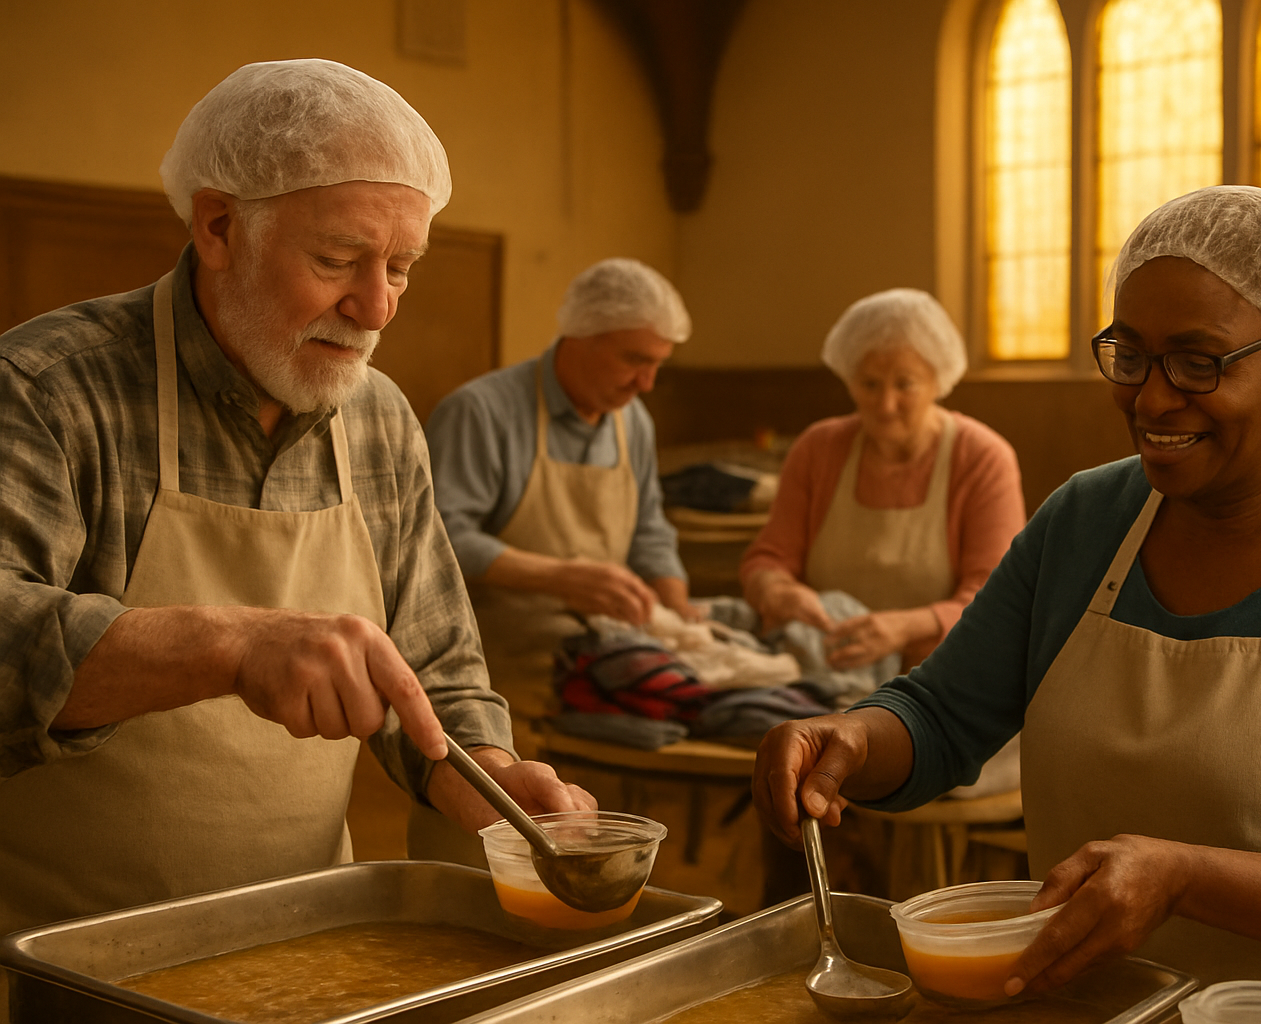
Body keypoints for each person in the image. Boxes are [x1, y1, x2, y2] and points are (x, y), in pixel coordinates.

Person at [752, 187, 1261, 1015]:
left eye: (1197, 361)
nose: (1150, 399)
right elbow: (941, 715)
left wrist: (1182, 877)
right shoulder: (1086, 521)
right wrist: (852, 738)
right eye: (1132, 355)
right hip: (1103, 1007)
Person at [0, 59, 593, 941]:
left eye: (403, 267)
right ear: (217, 226)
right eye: (339, 259)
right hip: (67, 955)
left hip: (303, 938)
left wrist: (487, 772)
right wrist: (231, 645)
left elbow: (434, 665)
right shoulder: (52, 390)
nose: (377, 307)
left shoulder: (381, 419)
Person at [426, 258, 696, 737]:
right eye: (635, 360)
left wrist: (680, 611)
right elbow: (440, 537)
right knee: (490, 807)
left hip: (592, 657)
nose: (647, 384)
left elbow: (649, 528)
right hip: (491, 666)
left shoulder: (632, 421)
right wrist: (561, 577)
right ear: (579, 336)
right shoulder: (483, 413)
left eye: (658, 364)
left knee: (586, 809)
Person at [740, 288, 1025, 671]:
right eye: (869, 384)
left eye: (905, 384)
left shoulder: (981, 457)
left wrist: (904, 629)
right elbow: (768, 557)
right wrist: (776, 590)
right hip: (827, 666)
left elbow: (995, 600)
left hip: (940, 680)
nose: (885, 405)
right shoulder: (818, 449)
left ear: (936, 381)